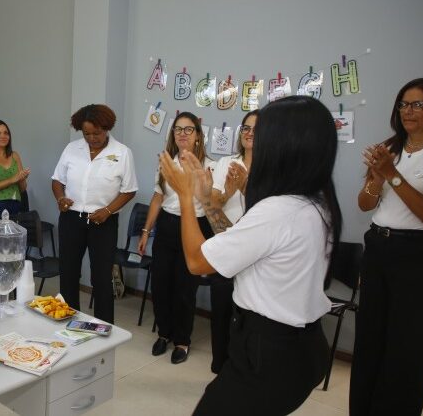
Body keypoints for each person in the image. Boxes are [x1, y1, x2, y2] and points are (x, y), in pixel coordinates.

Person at [159, 95, 341, 415]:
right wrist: (207, 197)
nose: (254, 139)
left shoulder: (279, 210)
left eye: (263, 133)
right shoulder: (316, 201)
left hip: (270, 352)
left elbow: (197, 260)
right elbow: (235, 236)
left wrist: (187, 198)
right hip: (304, 347)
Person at [350, 77, 423, 415]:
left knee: (408, 345)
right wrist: (376, 180)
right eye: (404, 104)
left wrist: (391, 174)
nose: (408, 111)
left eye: (418, 104)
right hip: (379, 248)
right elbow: (364, 204)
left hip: (418, 255)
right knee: (371, 337)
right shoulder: (389, 148)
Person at [137, 111, 214, 364]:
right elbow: (158, 197)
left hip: (195, 226)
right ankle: (164, 333)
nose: (182, 134)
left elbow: (213, 204)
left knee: (185, 288)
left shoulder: (209, 166)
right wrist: (147, 231)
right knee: (160, 285)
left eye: (188, 129)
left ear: (198, 136)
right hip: (167, 225)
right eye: (178, 129)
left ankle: (182, 340)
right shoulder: (166, 164)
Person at [51, 104, 137, 324]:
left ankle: (103, 326)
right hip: (71, 219)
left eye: (96, 133)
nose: (91, 138)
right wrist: (60, 198)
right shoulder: (72, 149)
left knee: (101, 277)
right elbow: (57, 180)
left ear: (106, 128)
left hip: (103, 222)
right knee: (69, 273)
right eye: (86, 133)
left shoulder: (122, 153)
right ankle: (69, 322)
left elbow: (129, 190)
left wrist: (108, 210)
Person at [205, 109, 258, 373]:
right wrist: (229, 190)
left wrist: (246, 185)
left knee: (249, 315)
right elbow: (214, 204)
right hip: (226, 243)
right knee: (222, 309)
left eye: (256, 129)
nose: (250, 134)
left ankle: (243, 368)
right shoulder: (227, 162)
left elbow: (268, 207)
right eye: (246, 128)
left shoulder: (274, 165)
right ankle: (219, 366)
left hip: (257, 252)